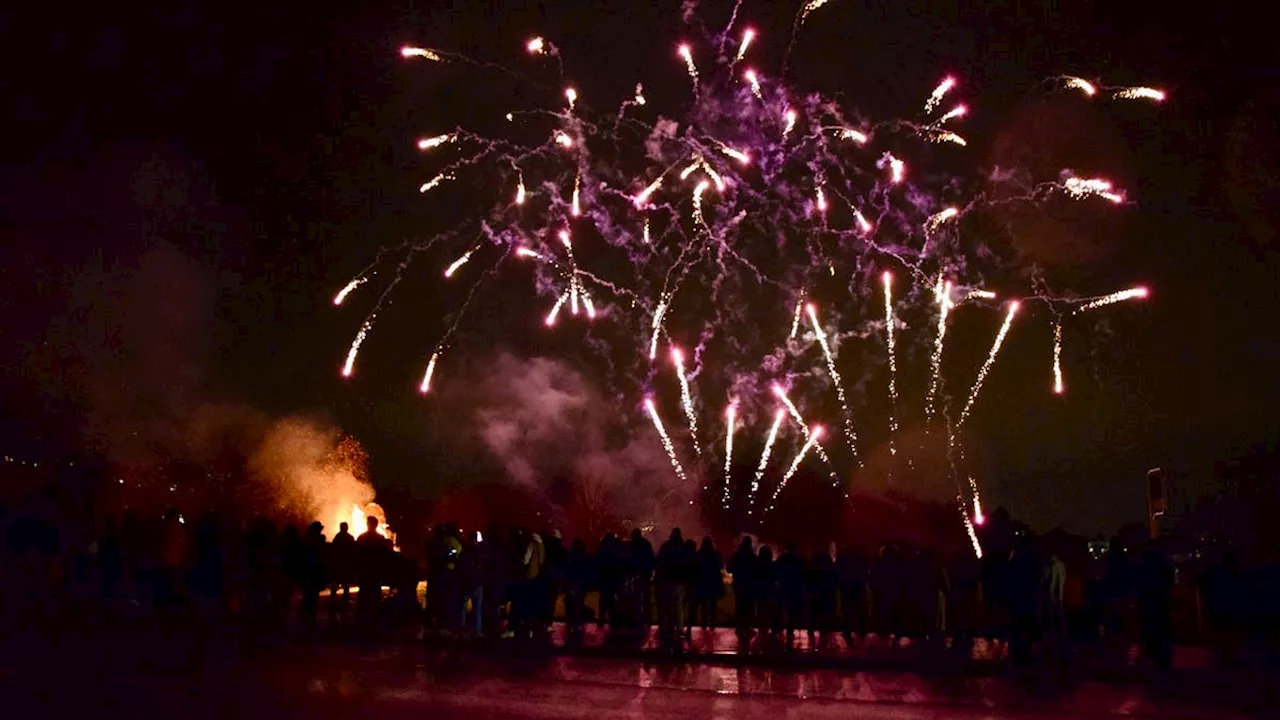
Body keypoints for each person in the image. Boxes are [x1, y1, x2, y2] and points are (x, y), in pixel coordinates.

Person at [694, 537, 723, 632]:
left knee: (703, 604)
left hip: (702, 581)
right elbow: (720, 566)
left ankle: (704, 622)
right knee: (713, 603)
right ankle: (712, 622)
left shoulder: (699, 554)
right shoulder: (715, 554)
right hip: (713, 581)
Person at [728, 536, 755, 635]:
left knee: (739, 606)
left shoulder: (737, 556)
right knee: (748, 606)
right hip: (749, 584)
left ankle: (739, 626)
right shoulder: (752, 557)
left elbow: (729, 569)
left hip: (739, 584)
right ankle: (747, 626)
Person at [328, 521, 355, 616]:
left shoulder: (337, 537)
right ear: (346, 528)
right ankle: (344, 603)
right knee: (346, 585)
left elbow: (333, 550)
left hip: (338, 565)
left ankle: (332, 602)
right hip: (345, 566)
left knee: (335, 585)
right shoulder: (350, 538)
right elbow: (353, 552)